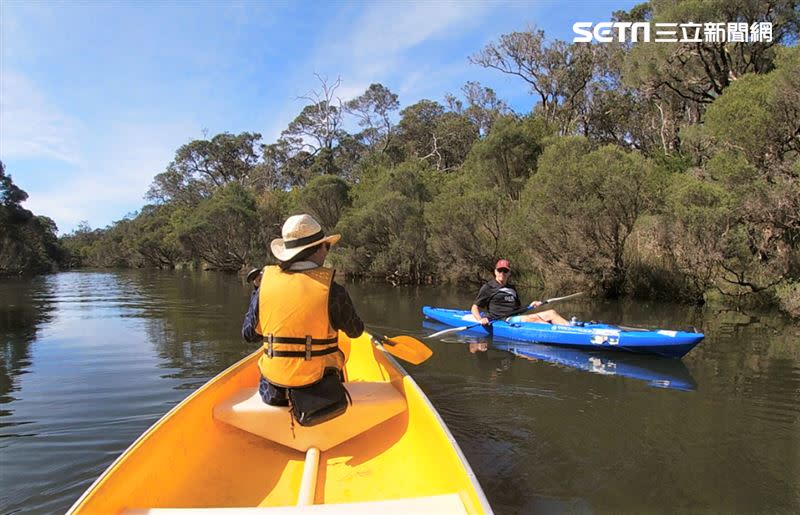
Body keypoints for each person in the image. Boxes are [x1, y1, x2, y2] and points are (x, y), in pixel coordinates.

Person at [241, 214, 364, 406]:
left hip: (274, 393)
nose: (327, 251)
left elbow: (250, 335)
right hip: (322, 391)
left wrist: (257, 291)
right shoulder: (334, 291)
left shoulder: (265, 285)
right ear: (317, 250)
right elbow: (356, 332)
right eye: (327, 246)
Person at [471, 259, 569, 326]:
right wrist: (480, 319)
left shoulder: (512, 288)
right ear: (495, 271)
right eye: (500, 270)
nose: (502, 273)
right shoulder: (488, 287)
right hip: (503, 320)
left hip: (515, 317)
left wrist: (530, 305)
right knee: (534, 318)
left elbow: (518, 309)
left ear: (509, 273)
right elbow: (475, 308)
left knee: (551, 313)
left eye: (505, 271)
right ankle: (558, 333)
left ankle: (571, 329)